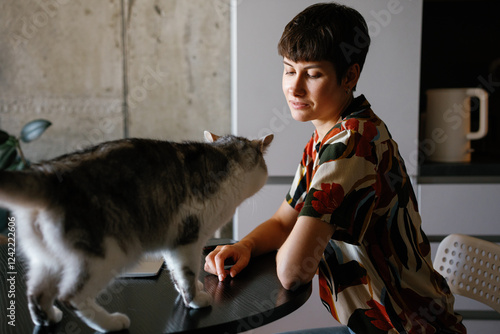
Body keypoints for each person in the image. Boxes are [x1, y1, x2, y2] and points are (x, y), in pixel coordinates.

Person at [205, 2, 467, 333]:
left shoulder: (352, 143)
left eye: (312, 74)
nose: (294, 88)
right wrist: (246, 246)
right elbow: (283, 220)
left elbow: (293, 270)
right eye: (289, 70)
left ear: (350, 75)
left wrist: (294, 241)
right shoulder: (325, 138)